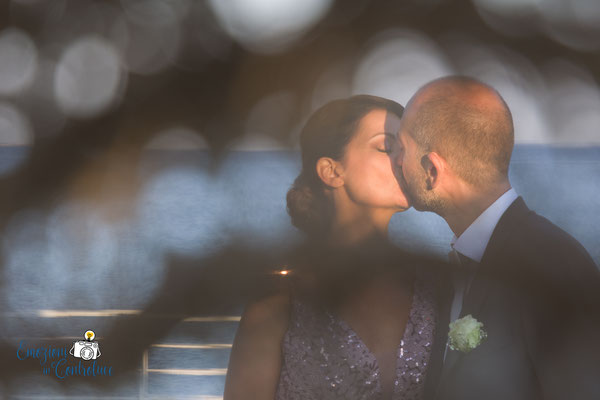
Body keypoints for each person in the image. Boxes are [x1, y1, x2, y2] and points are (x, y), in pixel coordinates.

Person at [224, 95, 448, 400]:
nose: (403, 160)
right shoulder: (278, 303)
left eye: (406, 151)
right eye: (386, 147)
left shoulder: (434, 292)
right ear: (332, 171)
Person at [392, 76, 600, 400]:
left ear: (432, 170)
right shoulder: (461, 267)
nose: (395, 163)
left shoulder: (551, 266)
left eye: (400, 149)